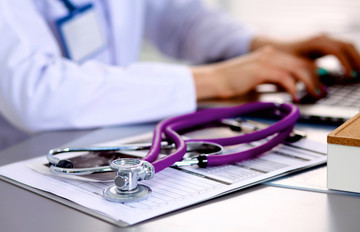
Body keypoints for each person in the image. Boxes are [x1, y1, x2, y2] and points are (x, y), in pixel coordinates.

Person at [0, 0, 359, 150]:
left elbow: (178, 16)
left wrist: (261, 46)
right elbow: (36, 92)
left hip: (104, 141)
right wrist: (215, 79)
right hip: (18, 162)